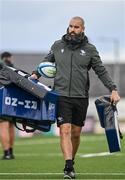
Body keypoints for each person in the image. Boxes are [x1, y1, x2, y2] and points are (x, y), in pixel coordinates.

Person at [31, 17, 120, 179]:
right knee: (64, 130)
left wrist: (113, 89)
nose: (72, 29)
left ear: (83, 29)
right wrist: (36, 73)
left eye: (76, 27)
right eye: (70, 26)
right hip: (61, 95)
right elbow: (46, 62)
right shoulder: (57, 45)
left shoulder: (90, 50)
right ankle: (68, 166)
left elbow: (101, 71)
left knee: (76, 134)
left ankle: (71, 159)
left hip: (80, 97)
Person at [0, 52, 15, 160]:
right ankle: (11, 151)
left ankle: (7, 153)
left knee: (3, 126)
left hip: (2, 99)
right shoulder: (12, 68)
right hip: (12, 100)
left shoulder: (2, 67)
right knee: (10, 126)